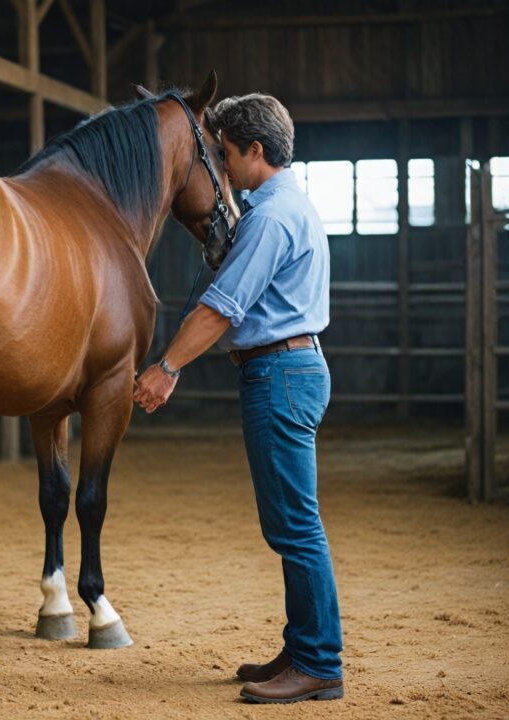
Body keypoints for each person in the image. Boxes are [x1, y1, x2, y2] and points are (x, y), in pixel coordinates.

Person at [133, 93, 344, 704]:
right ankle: (304, 645)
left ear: (256, 150)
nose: (222, 169)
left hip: (279, 374)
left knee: (296, 527)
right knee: (291, 523)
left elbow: (223, 308)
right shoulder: (284, 206)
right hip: (288, 370)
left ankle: (319, 664)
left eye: (226, 156)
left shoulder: (272, 218)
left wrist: (167, 367)